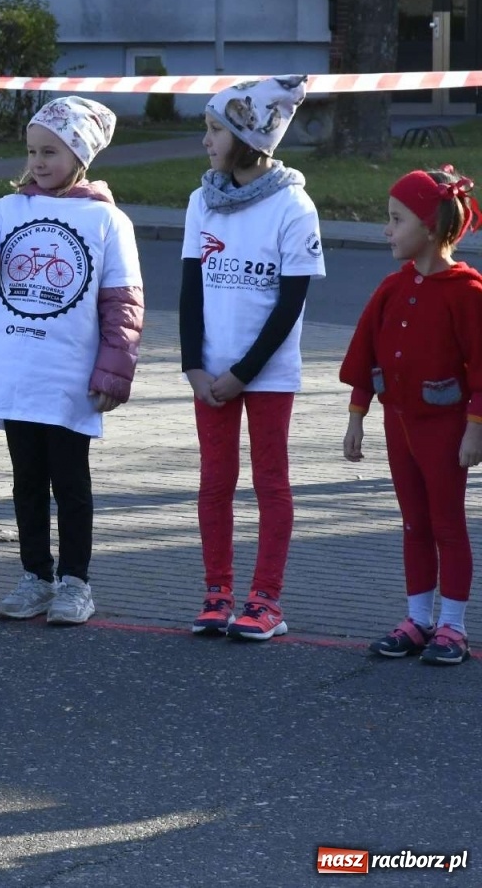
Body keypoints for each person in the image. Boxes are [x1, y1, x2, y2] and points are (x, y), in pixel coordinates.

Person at [0, 97, 143, 626]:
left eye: (51, 151)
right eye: (33, 150)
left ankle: (75, 582)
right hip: (18, 375)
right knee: (27, 481)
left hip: (69, 380)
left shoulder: (107, 220)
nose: (38, 161)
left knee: (71, 483)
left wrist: (113, 371)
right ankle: (35, 575)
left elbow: (122, 303)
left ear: (79, 154)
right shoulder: (10, 210)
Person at [180, 75, 323, 641]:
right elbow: (190, 289)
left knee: (271, 482)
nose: (206, 140)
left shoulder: (294, 205)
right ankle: (217, 592)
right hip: (209, 374)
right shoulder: (200, 200)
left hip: (265, 376)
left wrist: (243, 374)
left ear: (247, 135)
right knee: (215, 481)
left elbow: (290, 304)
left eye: (215, 128)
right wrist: (195, 365)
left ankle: (266, 600)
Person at [341, 167, 482, 666]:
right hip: (398, 425)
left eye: (396, 219)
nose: (386, 230)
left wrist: (474, 429)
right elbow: (366, 354)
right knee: (413, 524)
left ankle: (454, 627)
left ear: (429, 227)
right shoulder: (390, 288)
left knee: (448, 525)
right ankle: (418, 620)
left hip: (446, 433)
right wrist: (357, 415)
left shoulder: (467, 293)